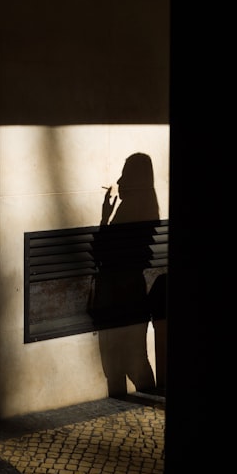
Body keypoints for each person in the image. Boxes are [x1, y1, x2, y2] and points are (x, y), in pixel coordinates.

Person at [93, 152, 160, 396]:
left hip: (118, 295)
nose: (120, 181)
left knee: (118, 363)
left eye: (125, 174)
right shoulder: (148, 206)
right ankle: (150, 403)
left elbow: (101, 252)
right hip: (133, 291)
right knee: (137, 359)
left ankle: (144, 401)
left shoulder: (129, 211)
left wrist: (104, 217)